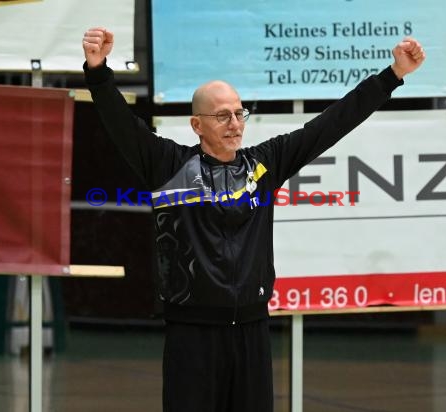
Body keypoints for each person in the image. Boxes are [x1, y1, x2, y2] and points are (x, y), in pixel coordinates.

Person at [82, 27, 425, 412]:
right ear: (197, 125)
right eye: (222, 115)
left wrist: (392, 76)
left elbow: (331, 124)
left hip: (251, 330)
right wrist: (98, 72)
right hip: (192, 335)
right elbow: (121, 125)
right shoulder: (170, 167)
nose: (235, 123)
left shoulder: (263, 165)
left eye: (239, 113)